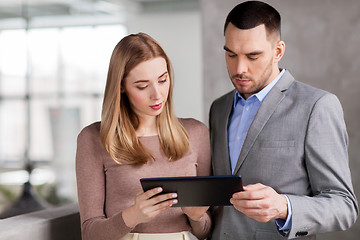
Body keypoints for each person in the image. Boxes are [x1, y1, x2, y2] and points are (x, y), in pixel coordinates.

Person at [209, 1, 358, 239]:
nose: (240, 68)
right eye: (231, 54)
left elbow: (344, 206)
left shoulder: (317, 106)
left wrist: (283, 206)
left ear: (278, 51)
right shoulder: (219, 108)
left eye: (253, 56)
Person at [76, 32, 211, 240]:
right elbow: (89, 233)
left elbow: (207, 231)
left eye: (162, 80)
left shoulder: (196, 133)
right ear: (121, 86)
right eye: (142, 86)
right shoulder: (93, 138)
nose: (157, 94)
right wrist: (132, 215)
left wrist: (196, 217)